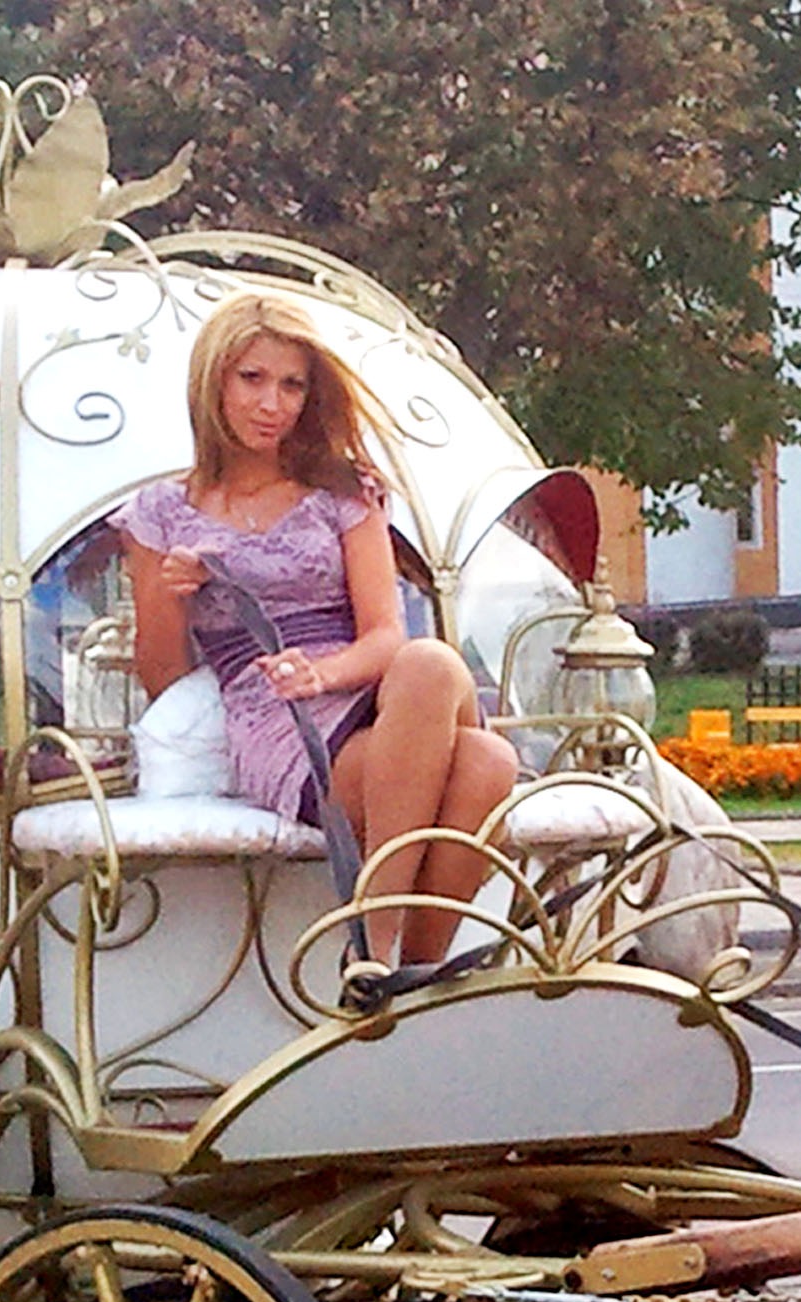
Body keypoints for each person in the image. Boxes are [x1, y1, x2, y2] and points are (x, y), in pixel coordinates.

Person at [113, 293, 518, 964]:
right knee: (486, 763)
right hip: (277, 719)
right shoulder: (162, 513)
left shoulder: (344, 491)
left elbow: (385, 635)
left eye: (292, 385)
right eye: (252, 379)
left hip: (370, 687)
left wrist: (321, 673)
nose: (272, 403)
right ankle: (406, 975)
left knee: (432, 665)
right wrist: (174, 592)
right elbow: (162, 675)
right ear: (212, 381)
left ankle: (380, 954)